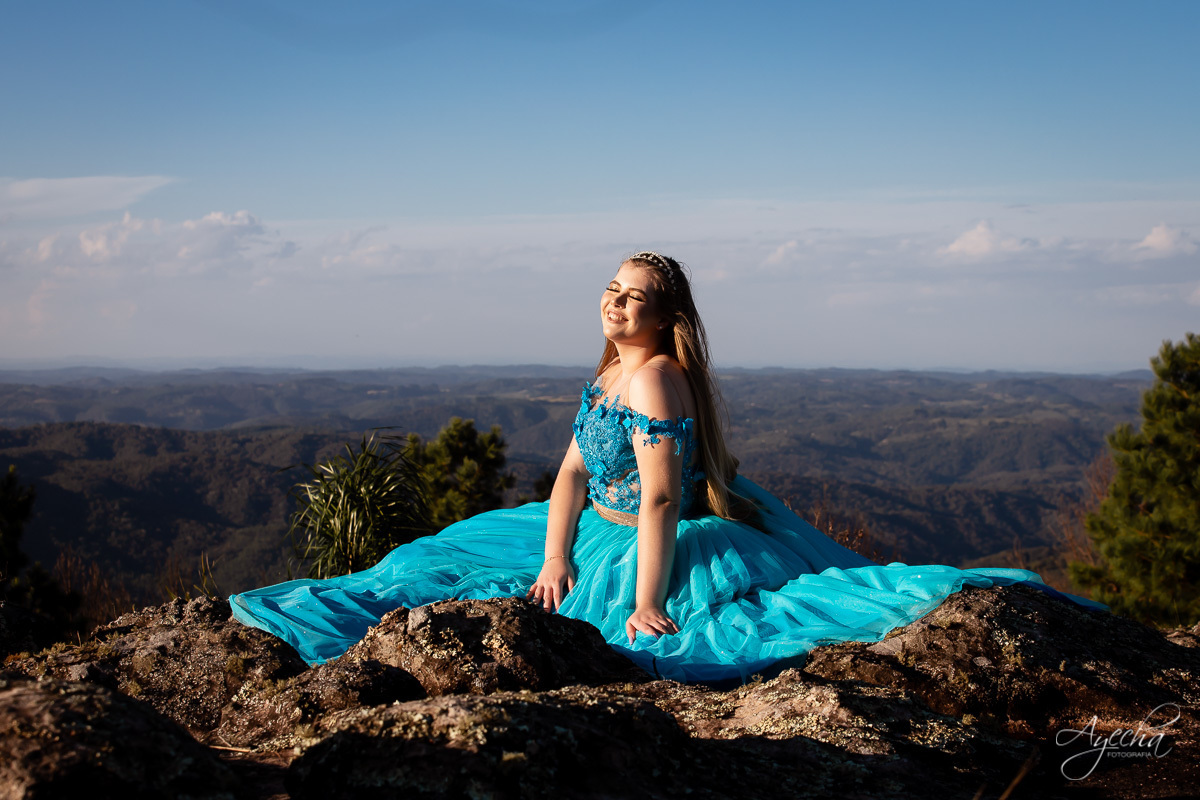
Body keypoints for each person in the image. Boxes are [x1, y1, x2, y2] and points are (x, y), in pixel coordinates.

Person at [230, 251, 1107, 684]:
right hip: (593, 530)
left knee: (660, 635)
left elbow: (656, 500)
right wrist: (553, 554)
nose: (615, 302)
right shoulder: (611, 369)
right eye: (609, 289)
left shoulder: (655, 380)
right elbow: (571, 475)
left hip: (657, 539)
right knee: (427, 579)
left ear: (666, 311)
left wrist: (648, 600)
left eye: (634, 295)